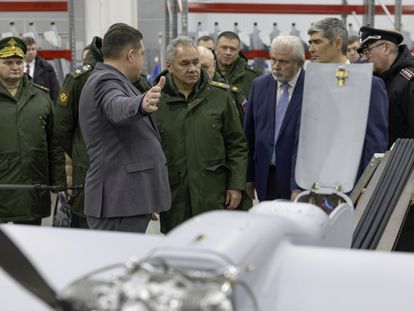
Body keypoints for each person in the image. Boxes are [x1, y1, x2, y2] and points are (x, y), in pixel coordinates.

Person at [78, 23, 171, 233]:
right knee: (114, 264)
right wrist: (141, 104)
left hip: (126, 199)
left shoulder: (113, 79)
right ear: (130, 55)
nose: (142, 61)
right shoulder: (106, 80)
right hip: (117, 202)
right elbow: (116, 106)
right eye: (141, 54)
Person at [154, 36, 248, 233]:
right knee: (177, 249)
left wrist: (236, 185)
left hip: (213, 193)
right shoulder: (156, 102)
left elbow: (237, 145)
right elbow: (148, 152)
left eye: (196, 62)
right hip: (175, 196)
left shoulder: (220, 97)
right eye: (185, 63)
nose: (193, 69)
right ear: (169, 66)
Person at [306, 17, 388, 184]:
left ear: (337, 43)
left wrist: (366, 187)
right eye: (310, 42)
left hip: (352, 183)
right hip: (314, 182)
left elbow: (375, 142)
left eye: (317, 42)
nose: (311, 49)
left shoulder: (369, 84)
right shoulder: (310, 83)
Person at [0, 37, 65, 224]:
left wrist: (58, 181)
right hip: (3, 189)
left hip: (32, 190)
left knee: (29, 248)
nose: (15, 67)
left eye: (19, 62)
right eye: (8, 62)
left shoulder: (41, 98)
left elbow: (55, 143)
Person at [244, 35, 305, 201]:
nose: (276, 67)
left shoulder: (311, 89)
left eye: (283, 62)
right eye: (273, 60)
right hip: (265, 176)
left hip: (297, 180)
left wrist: (298, 186)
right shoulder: (259, 85)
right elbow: (249, 135)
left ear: (299, 63)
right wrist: (249, 176)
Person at [54, 36, 103, 228]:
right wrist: (78, 149)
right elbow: (62, 125)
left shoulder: (129, 75)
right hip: (86, 166)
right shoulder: (78, 78)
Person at [358, 26, 414, 147]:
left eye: (368, 50)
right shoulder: (378, 79)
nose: (364, 57)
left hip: (403, 161)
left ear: (386, 48)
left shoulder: (408, 81)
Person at [214, 31, 261, 99]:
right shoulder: (204, 72)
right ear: (215, 48)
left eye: (233, 49)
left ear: (238, 51)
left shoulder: (253, 77)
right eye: (224, 48)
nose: (228, 52)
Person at [22, 36, 60, 103]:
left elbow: (55, 90)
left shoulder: (46, 68)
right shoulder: (15, 67)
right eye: (28, 49)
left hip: (41, 104)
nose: (31, 52)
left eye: (33, 49)